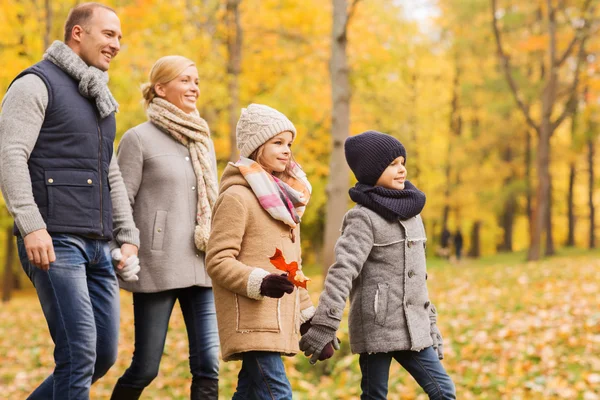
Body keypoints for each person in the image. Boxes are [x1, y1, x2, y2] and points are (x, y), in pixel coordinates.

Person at [0, 3, 140, 399]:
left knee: (101, 356)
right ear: (78, 33)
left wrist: (127, 232)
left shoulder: (99, 95)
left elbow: (110, 170)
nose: (117, 44)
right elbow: (9, 154)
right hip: (54, 241)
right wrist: (32, 225)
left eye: (120, 37)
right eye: (109, 34)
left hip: (99, 246)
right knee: (78, 354)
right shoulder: (35, 84)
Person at [300, 131, 456, 399]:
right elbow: (342, 272)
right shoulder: (363, 218)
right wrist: (325, 324)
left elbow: (420, 280)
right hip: (377, 329)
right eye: (392, 163)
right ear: (372, 171)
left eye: (402, 161)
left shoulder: (413, 213)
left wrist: (431, 327)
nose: (402, 168)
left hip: (415, 328)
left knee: (443, 391)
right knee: (375, 396)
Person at [206, 104, 334, 399]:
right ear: (256, 146)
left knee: (250, 391)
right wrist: (259, 282)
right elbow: (217, 259)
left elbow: (293, 269)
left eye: (289, 143)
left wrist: (308, 322)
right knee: (278, 394)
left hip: (278, 319)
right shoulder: (237, 197)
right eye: (277, 142)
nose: (287, 150)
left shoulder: (286, 204)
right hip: (250, 320)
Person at [109, 55, 220, 399]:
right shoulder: (137, 139)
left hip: (202, 265)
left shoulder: (202, 138)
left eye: (196, 81)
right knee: (146, 366)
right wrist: (128, 245)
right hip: (157, 267)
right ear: (160, 88)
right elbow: (119, 199)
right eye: (185, 80)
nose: (194, 88)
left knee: (209, 364)